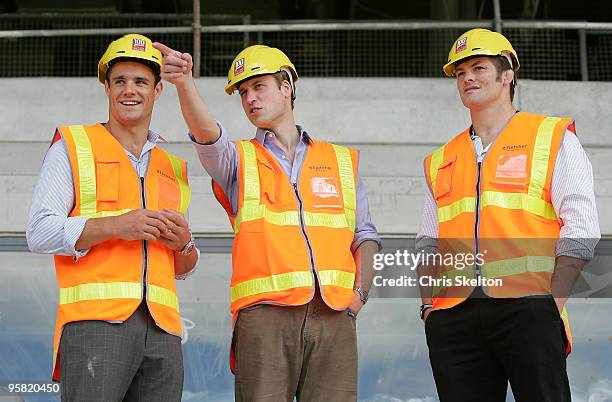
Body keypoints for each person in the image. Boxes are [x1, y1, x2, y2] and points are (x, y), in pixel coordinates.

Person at [153, 41, 381, 401]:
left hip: (334, 314)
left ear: (286, 86)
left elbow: (364, 235)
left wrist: (359, 296)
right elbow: (208, 137)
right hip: (264, 318)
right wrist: (185, 85)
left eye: (258, 87)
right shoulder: (238, 160)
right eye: (243, 92)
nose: (250, 100)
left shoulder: (340, 161)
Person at [415, 28, 601, 402]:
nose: (468, 77)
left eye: (479, 67)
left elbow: (582, 227)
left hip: (530, 309)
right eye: (461, 71)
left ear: (507, 75)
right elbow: (427, 242)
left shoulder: (551, 137)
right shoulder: (441, 159)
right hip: (454, 318)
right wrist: (428, 308)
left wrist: (553, 302)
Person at [26, 33, 198, 401]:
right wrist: (119, 225)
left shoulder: (172, 166)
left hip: (164, 328)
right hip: (94, 324)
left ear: (157, 91)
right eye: (119, 80)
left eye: (140, 81)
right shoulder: (73, 145)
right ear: (106, 87)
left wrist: (184, 244)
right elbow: (39, 232)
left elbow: (181, 265)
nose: (129, 90)